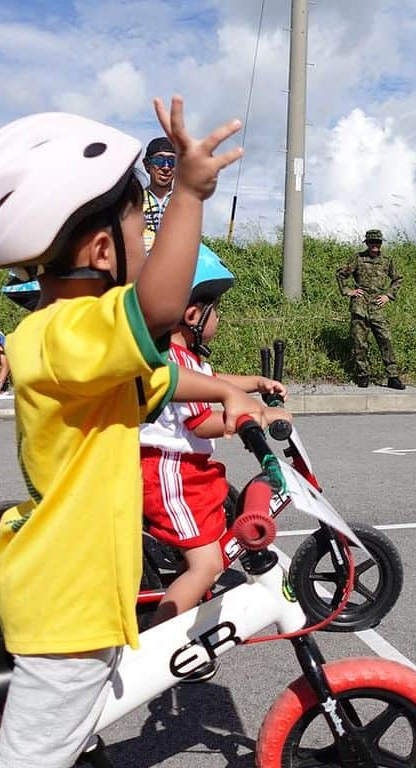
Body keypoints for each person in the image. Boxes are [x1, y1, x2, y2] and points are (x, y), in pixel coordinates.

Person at [0, 99, 262, 768]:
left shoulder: (85, 348)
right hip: (68, 605)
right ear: (100, 250)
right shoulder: (63, 333)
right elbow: (158, 311)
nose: (149, 244)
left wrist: (233, 394)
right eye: (138, 230)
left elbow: (165, 381)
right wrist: (189, 193)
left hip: (79, 591)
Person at [139, 244, 289, 681]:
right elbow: (203, 421)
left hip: (187, 471)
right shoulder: (172, 357)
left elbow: (215, 382)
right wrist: (251, 418)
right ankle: (156, 646)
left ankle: (185, 618)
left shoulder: (179, 355)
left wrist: (257, 385)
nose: (219, 319)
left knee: (213, 546)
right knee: (206, 564)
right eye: (216, 310)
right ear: (193, 316)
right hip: (170, 471)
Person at [336, 228, 404, 389]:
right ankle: (363, 375)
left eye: (378, 243)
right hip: (360, 306)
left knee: (386, 340)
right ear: (367, 243)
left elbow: (398, 278)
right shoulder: (358, 259)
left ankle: (393, 376)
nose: (375, 246)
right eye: (372, 242)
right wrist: (348, 291)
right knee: (360, 343)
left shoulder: (387, 260)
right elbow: (341, 274)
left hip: (377, 306)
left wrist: (388, 295)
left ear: (381, 244)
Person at [141, 135, 176, 253]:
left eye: (172, 161)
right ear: (147, 164)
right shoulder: (133, 201)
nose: (166, 167)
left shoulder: (184, 203)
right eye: (159, 160)